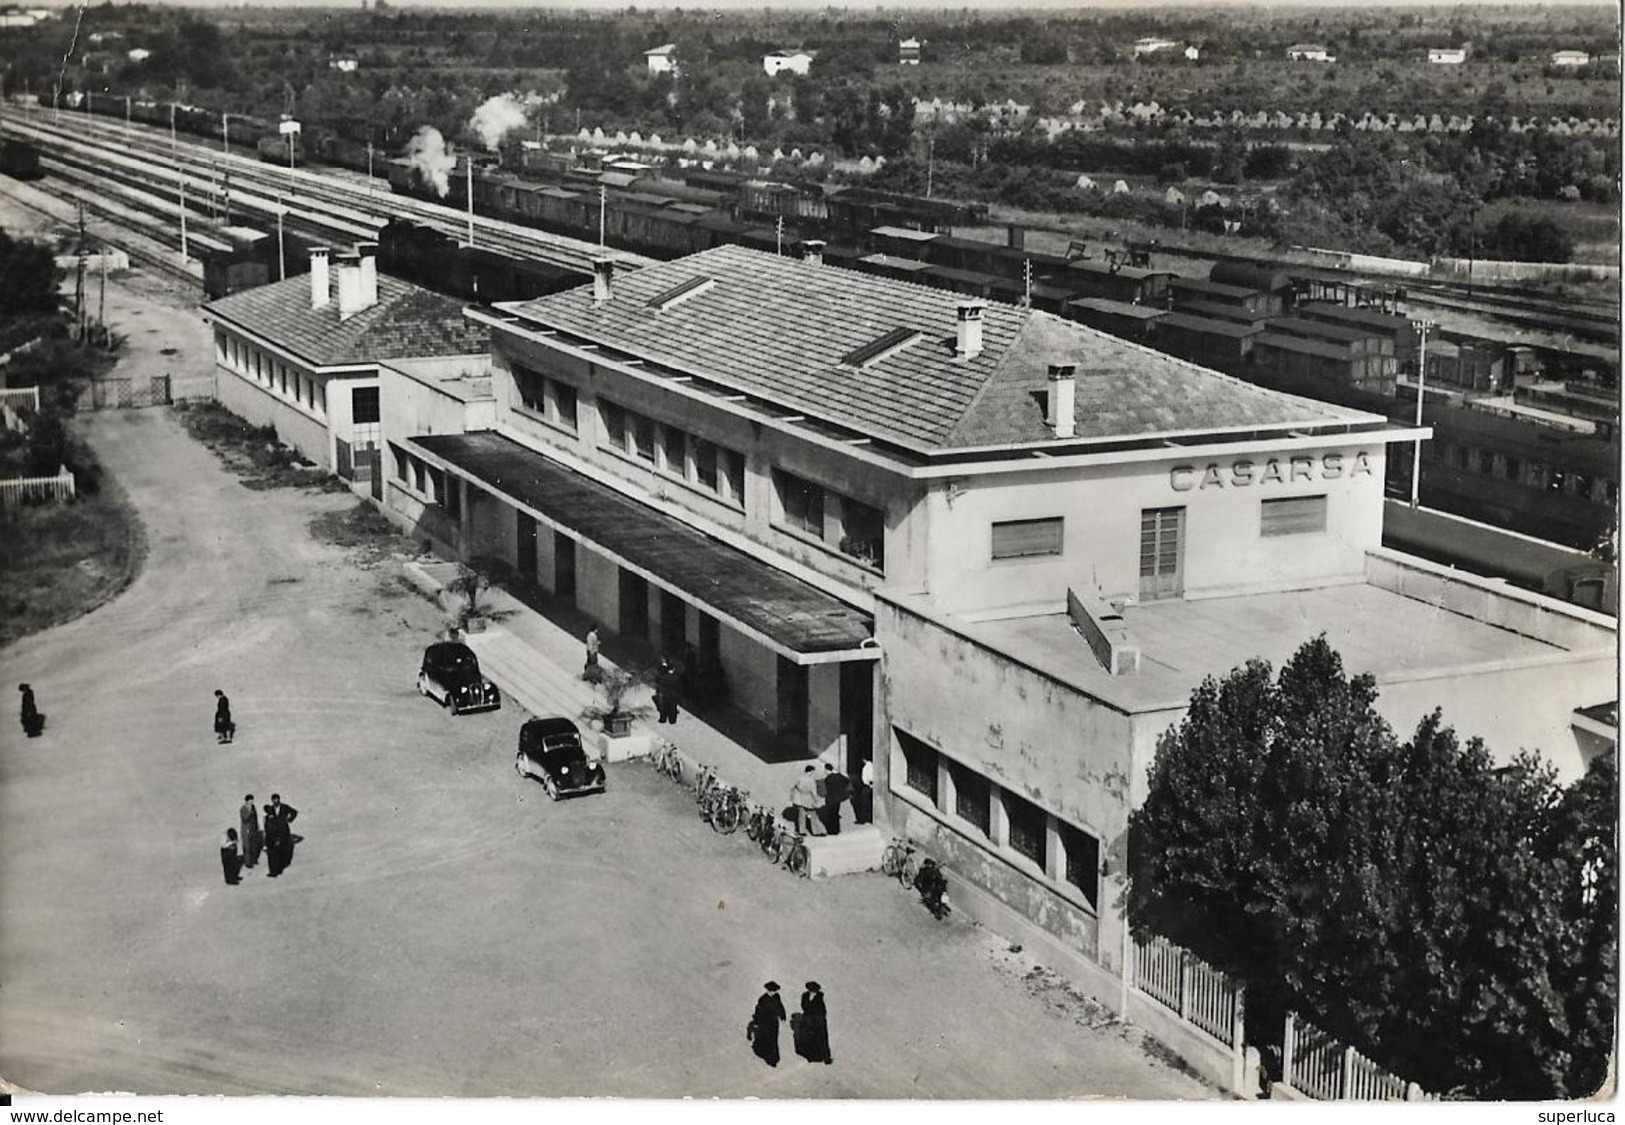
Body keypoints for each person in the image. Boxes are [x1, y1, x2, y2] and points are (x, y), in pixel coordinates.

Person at [748, 981, 787, 1067]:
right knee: (767, 1039)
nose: (773, 992)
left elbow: (780, 1006)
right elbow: (758, 1011)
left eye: (774, 991)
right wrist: (757, 1022)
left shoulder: (777, 997)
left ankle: (774, 1058)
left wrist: (783, 1017)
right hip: (765, 1023)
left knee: (774, 1039)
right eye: (771, 991)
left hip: (774, 1022)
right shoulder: (762, 999)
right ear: (768, 990)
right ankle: (767, 1057)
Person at [796, 982, 832, 1064]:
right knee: (810, 1038)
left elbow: (822, 1009)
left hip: (818, 1019)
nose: (812, 991)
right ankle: (811, 1057)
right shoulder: (804, 995)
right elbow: (803, 1005)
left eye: (813, 990)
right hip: (808, 1019)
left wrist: (819, 1018)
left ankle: (824, 1057)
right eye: (810, 990)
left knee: (821, 1038)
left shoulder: (820, 996)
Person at [264, 794, 299, 877]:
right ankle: (278, 867)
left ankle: (282, 865)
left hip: (284, 830)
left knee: (283, 848)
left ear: (279, 800)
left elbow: (294, 812)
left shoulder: (284, 807)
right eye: (274, 800)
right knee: (277, 850)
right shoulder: (271, 808)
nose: (275, 801)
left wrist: (289, 820)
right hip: (275, 832)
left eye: (276, 800)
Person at [790, 765, 824, 836]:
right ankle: (815, 832)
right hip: (809, 799)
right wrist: (817, 801)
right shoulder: (811, 780)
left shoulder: (799, 778)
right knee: (813, 816)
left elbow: (793, 787)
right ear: (811, 771)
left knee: (801, 816)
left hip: (800, 799)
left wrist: (793, 797)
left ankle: (802, 831)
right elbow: (814, 793)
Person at [820, 764, 851, 837]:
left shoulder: (827, 779)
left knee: (830, 815)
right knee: (836, 813)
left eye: (825, 770)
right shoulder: (838, 776)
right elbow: (847, 781)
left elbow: (826, 790)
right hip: (838, 799)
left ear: (827, 770)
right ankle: (837, 830)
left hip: (830, 798)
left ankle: (831, 831)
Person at [654, 658, 682, 725]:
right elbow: (679, 687)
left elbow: (660, 684)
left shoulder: (664, 677)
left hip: (665, 694)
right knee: (673, 707)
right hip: (673, 695)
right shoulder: (676, 678)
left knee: (664, 707)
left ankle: (663, 719)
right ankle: (672, 720)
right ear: (673, 669)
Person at [239, 795, 263, 869]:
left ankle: (254, 860)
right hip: (246, 830)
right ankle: (248, 863)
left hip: (253, 829)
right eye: (250, 801)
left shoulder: (253, 807)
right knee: (247, 847)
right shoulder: (243, 809)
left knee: (254, 846)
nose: (252, 802)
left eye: (252, 800)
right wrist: (249, 812)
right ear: (246, 801)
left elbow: (255, 818)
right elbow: (245, 819)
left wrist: (257, 826)